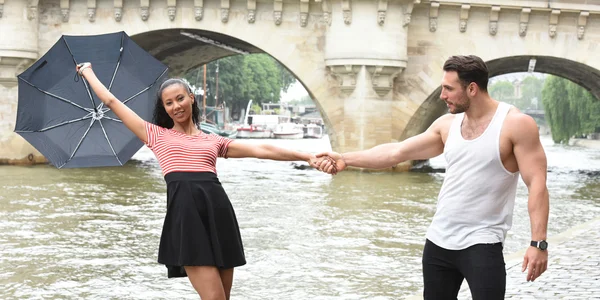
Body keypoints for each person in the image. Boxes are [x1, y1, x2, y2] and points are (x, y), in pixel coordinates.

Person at [76, 63, 334, 300]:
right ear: (164, 108)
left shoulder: (213, 141)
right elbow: (110, 100)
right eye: (168, 103)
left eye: (180, 98)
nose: (176, 106)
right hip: (186, 219)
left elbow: (262, 150)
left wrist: (307, 156)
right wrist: (88, 72)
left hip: (219, 216)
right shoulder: (154, 135)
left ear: (191, 98)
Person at [316, 55, 549, 300]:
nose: (442, 95)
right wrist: (345, 158)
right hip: (438, 243)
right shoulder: (446, 125)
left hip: (482, 243)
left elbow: (537, 184)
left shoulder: (515, 125)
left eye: (448, 89)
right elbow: (396, 152)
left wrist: (538, 243)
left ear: (471, 89)